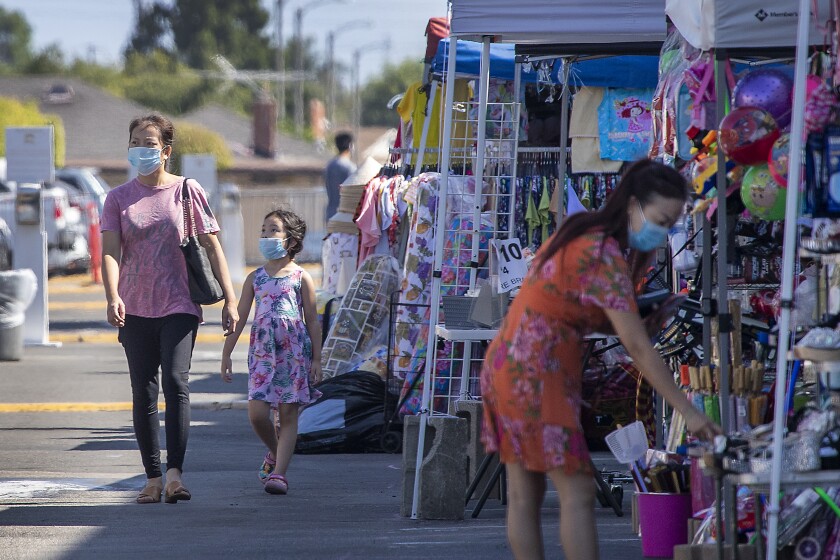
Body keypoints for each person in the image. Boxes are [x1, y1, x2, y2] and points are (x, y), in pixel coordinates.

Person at [480, 160, 722, 560]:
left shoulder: (586, 235)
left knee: (526, 494)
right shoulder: (602, 253)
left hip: (511, 366)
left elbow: (578, 312)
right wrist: (688, 412)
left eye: (671, 223)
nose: (662, 231)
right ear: (632, 205)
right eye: (661, 219)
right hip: (537, 376)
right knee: (576, 492)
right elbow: (638, 347)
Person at [101, 114, 240, 504]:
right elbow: (110, 252)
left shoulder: (186, 191)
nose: (141, 149)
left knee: (176, 383)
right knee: (142, 391)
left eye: (149, 142)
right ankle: (152, 477)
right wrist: (112, 295)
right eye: (134, 142)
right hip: (135, 306)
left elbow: (212, 245)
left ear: (166, 150)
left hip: (179, 303)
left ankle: (176, 473)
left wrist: (230, 298)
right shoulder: (117, 198)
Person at [220, 208, 322, 495]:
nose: (265, 236)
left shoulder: (303, 277)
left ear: (290, 240)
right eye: (263, 230)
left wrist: (317, 358)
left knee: (288, 414)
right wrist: (226, 354)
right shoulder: (255, 278)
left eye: (273, 230)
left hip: (293, 352)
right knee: (257, 414)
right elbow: (239, 318)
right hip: (263, 353)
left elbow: (312, 320)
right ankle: (275, 450)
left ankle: (279, 474)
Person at [324, 132, 356, 224]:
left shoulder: (330, 165)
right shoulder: (349, 167)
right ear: (350, 146)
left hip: (331, 211)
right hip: (346, 214)